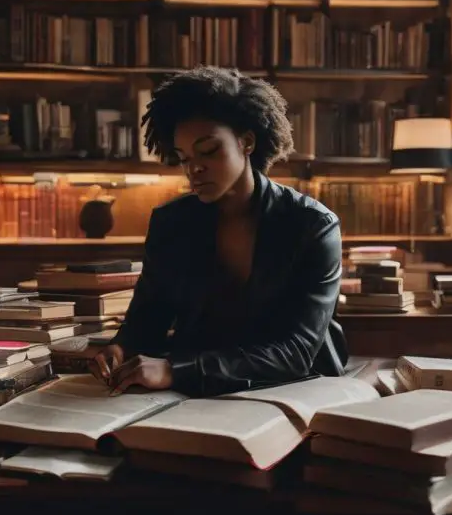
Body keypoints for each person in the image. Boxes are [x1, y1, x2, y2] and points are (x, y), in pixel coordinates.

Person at [91, 66, 348, 397]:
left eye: (208, 150)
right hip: (199, 392)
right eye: (183, 158)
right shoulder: (171, 223)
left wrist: (175, 370)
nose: (193, 168)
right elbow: (147, 320)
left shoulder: (313, 226)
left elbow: (296, 353)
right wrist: (121, 348)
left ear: (247, 142)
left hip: (294, 391)